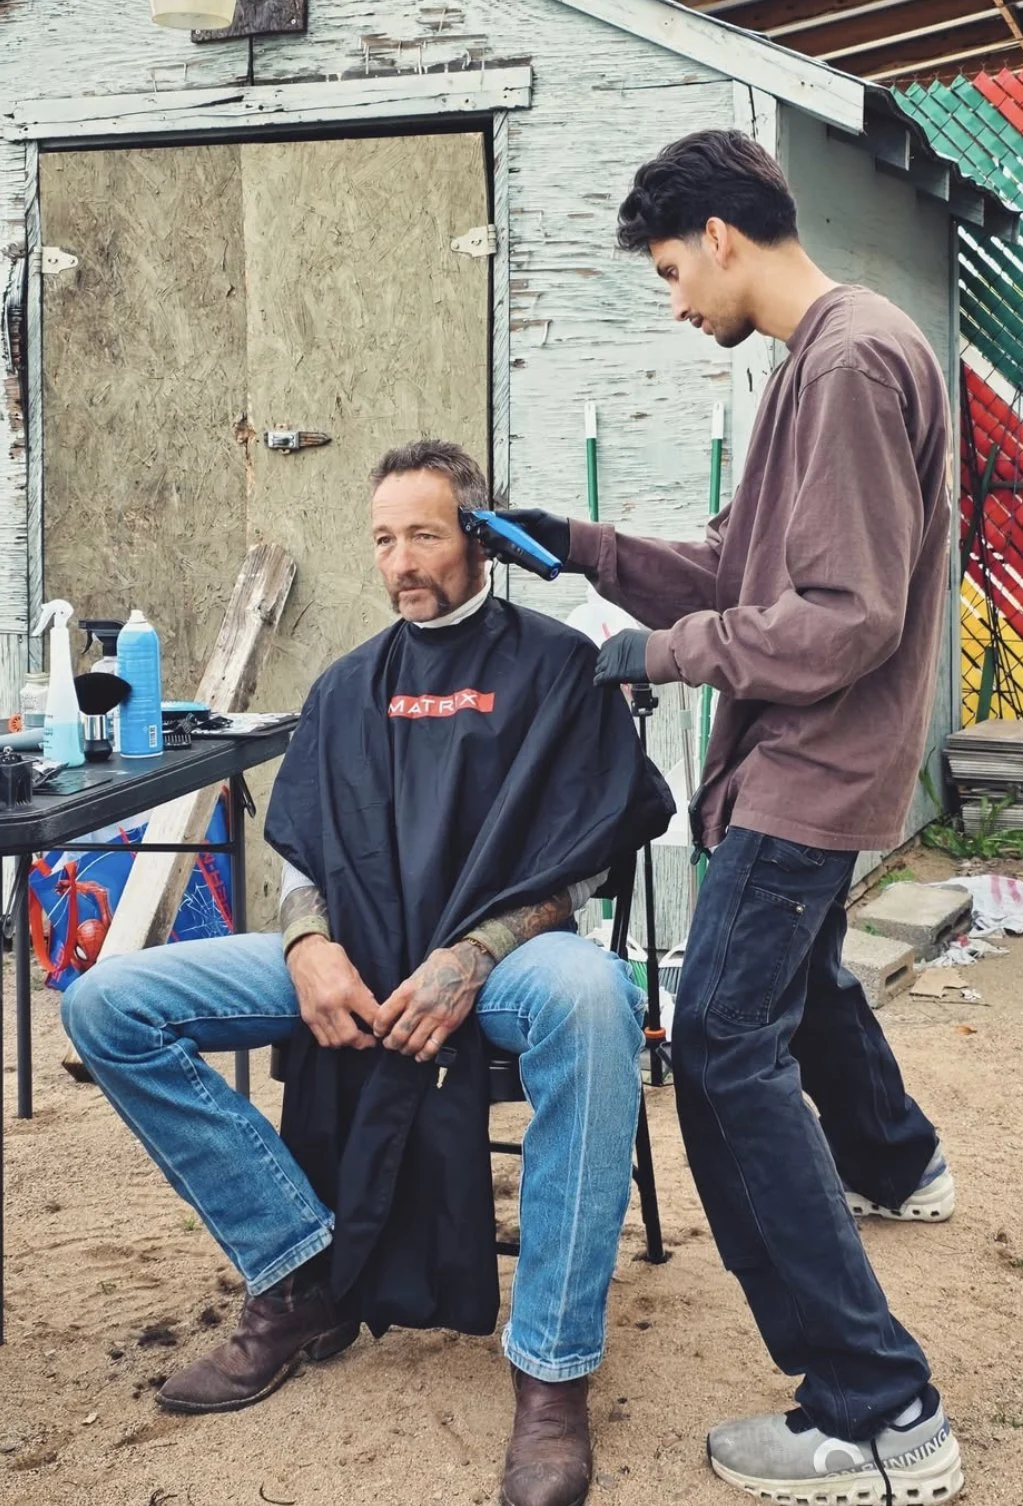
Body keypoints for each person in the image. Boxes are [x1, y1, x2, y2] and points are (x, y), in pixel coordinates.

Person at [62, 439, 673, 1506]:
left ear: (478, 537)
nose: (400, 561)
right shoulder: (348, 688)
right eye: (383, 539)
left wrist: (477, 954)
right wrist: (305, 943)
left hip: (509, 960)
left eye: (424, 534)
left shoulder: (557, 669)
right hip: (356, 952)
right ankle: (299, 1272)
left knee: (592, 999)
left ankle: (550, 1372)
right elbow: (300, 852)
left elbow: (583, 864)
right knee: (109, 1002)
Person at [508, 130, 964, 1505]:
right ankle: (902, 1159)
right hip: (809, 762)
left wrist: (656, 654)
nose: (670, 300)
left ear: (719, 233)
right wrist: (578, 548)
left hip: (810, 769)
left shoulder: (846, 361)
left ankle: (876, 1409)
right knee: (798, 981)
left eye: (665, 270)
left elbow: (841, 619)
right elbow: (731, 561)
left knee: (715, 1039)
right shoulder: (818, 360)